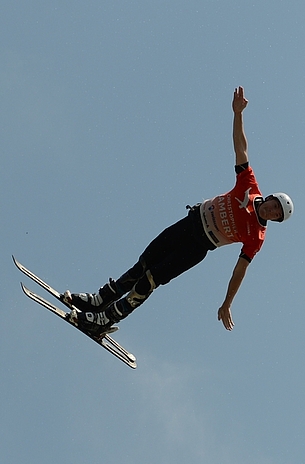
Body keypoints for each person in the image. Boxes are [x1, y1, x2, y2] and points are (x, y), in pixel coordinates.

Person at [64, 86, 293, 337]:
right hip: (189, 223)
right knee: (142, 265)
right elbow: (241, 148)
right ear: (270, 198)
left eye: (276, 215)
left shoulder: (256, 236)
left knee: (149, 281)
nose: (272, 212)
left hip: (197, 246)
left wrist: (227, 302)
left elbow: (240, 270)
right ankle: (98, 301)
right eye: (274, 206)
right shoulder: (249, 185)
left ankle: (105, 319)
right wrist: (238, 114)